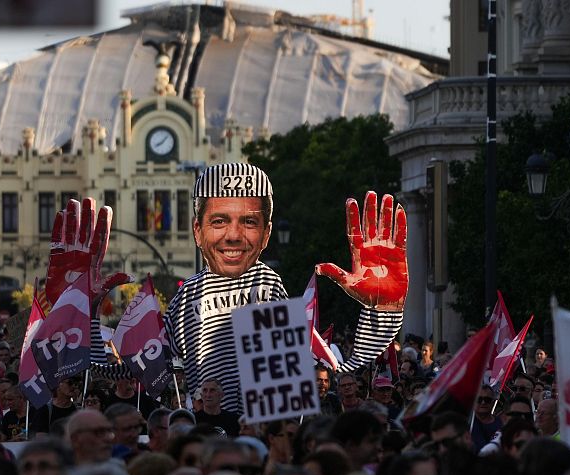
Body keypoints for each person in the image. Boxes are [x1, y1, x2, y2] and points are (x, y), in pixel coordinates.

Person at [49, 163, 407, 414]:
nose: (233, 236)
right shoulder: (188, 296)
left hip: (260, 444)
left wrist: (382, 311)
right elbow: (127, 370)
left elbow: (331, 369)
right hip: (205, 441)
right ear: (197, 231)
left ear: (266, 234)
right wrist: (79, 313)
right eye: (219, 221)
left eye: (248, 222)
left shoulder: (267, 285)